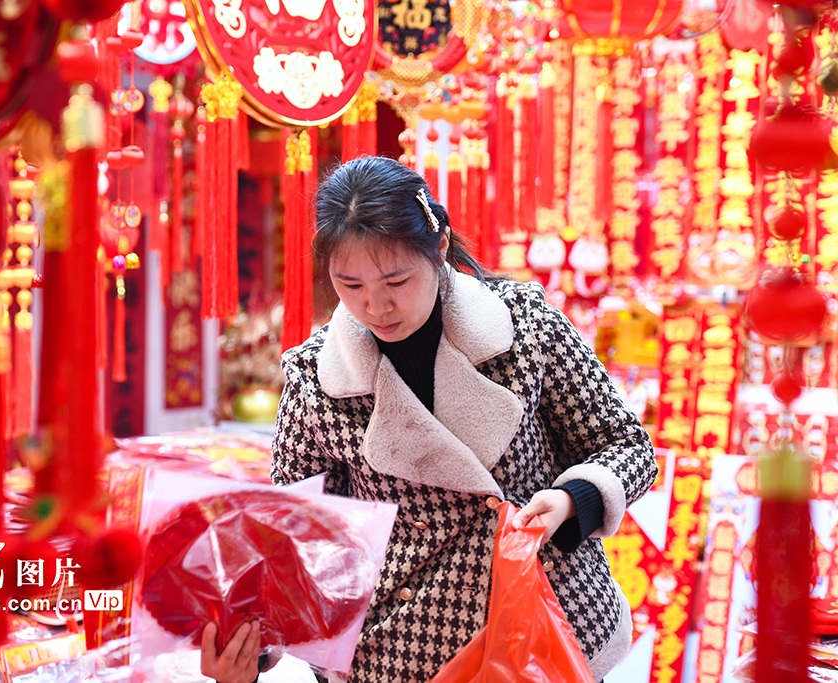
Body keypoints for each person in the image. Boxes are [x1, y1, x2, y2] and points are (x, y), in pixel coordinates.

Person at [201, 156, 658, 683]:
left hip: (543, 627)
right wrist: (253, 646)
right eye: (350, 285)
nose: (376, 307)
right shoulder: (315, 379)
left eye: (395, 280)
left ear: (438, 248)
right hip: (394, 651)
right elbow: (297, 539)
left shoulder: (526, 324)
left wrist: (573, 499)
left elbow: (626, 444)